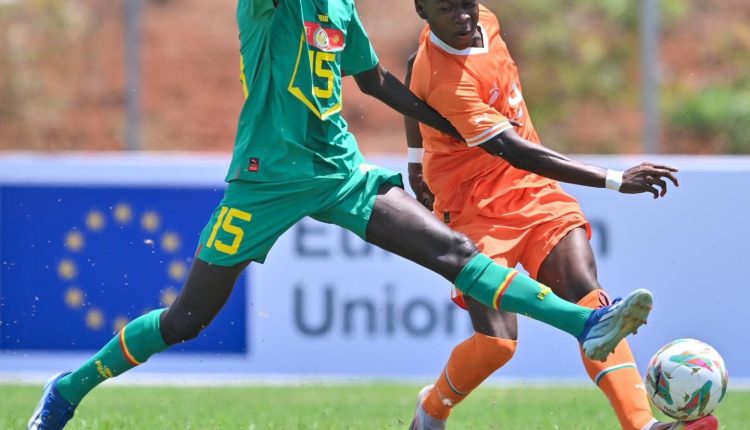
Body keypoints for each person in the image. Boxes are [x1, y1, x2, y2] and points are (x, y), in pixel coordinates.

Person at [28, 1, 656, 429]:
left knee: (456, 253)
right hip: (265, 181)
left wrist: (442, 128)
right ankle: (68, 390)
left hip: (340, 173)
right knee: (186, 319)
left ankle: (583, 323)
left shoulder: (338, 8)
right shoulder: (269, 8)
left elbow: (374, 80)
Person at [403, 2, 717, 430]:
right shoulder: (445, 81)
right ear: (421, 9)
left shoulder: (484, 20)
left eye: (466, 4)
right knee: (497, 345)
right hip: (472, 206)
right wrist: (616, 179)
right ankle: (432, 409)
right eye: (446, 8)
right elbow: (513, 149)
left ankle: (641, 425)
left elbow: (411, 68)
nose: (462, 16)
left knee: (591, 299)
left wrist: (415, 158)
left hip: (533, 191)